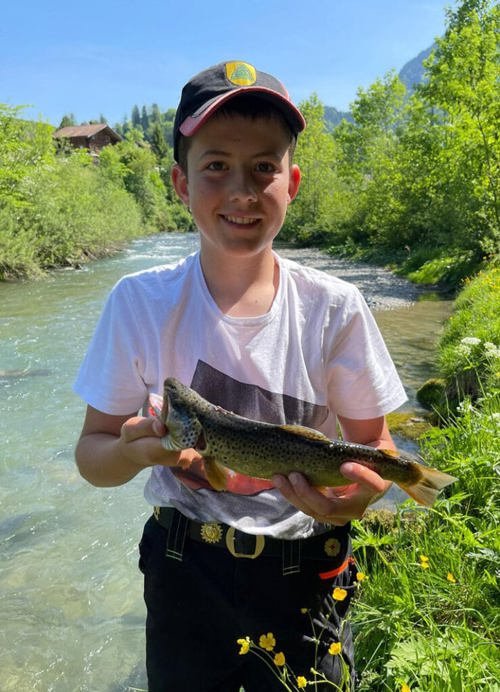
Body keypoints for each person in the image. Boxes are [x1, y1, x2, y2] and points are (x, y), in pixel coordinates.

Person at [74, 60, 407, 691]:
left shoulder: (336, 307)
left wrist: (357, 499)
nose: (242, 190)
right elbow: (92, 457)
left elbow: (376, 447)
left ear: (293, 181)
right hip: (181, 568)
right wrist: (135, 454)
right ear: (180, 181)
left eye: (264, 167)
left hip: (309, 567)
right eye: (216, 166)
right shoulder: (137, 303)